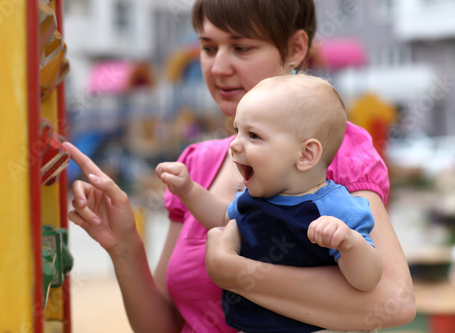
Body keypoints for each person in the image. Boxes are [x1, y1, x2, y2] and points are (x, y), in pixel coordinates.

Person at [66, 0, 416, 332]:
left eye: (241, 47)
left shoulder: (332, 151)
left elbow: (394, 301)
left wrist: (236, 272)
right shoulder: (196, 165)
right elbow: (166, 326)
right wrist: (124, 244)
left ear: (295, 48)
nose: (218, 67)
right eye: (207, 47)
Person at [155, 74, 382, 332]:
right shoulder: (251, 200)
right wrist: (188, 189)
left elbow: (369, 279)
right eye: (236, 131)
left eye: (253, 135)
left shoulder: (336, 208)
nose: (235, 145)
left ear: (306, 154)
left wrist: (349, 243)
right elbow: (221, 218)